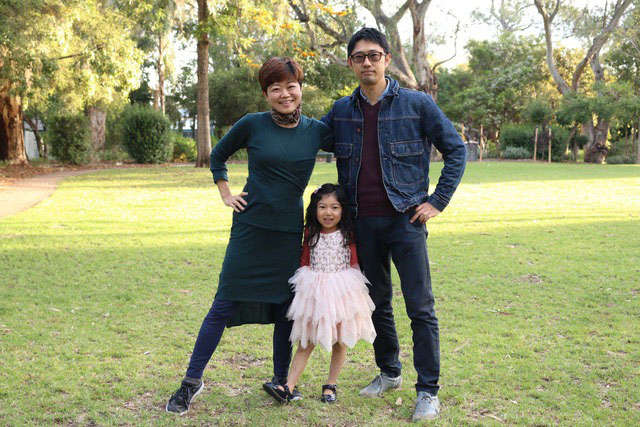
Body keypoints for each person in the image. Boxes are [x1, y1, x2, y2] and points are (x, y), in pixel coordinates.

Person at [166, 57, 332, 415]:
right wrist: (226, 193)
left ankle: (281, 381)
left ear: (300, 88)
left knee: (285, 309)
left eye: (291, 86)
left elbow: (353, 151)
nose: (284, 94)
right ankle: (191, 382)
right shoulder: (252, 124)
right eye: (275, 88)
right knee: (223, 303)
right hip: (250, 229)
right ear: (266, 93)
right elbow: (218, 155)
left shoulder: (317, 130)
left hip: (288, 232)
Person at [321, 28, 466, 421]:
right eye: (359, 57)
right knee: (376, 303)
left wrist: (437, 201)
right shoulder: (341, 111)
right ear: (350, 63)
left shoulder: (417, 104)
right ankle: (389, 372)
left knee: (421, 307)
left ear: (386, 59)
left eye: (374, 55)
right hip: (361, 224)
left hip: (406, 221)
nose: (367, 62)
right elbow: (306, 140)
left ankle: (428, 391)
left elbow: (456, 150)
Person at [263, 183, 376, 404]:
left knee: (340, 341)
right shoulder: (311, 232)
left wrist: (355, 292)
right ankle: (288, 387)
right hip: (315, 291)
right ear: (315, 209)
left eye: (334, 207)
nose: (328, 212)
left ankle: (330, 385)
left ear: (343, 209)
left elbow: (354, 262)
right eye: (322, 207)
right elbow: (304, 260)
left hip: (342, 291)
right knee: (306, 341)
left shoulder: (348, 233)